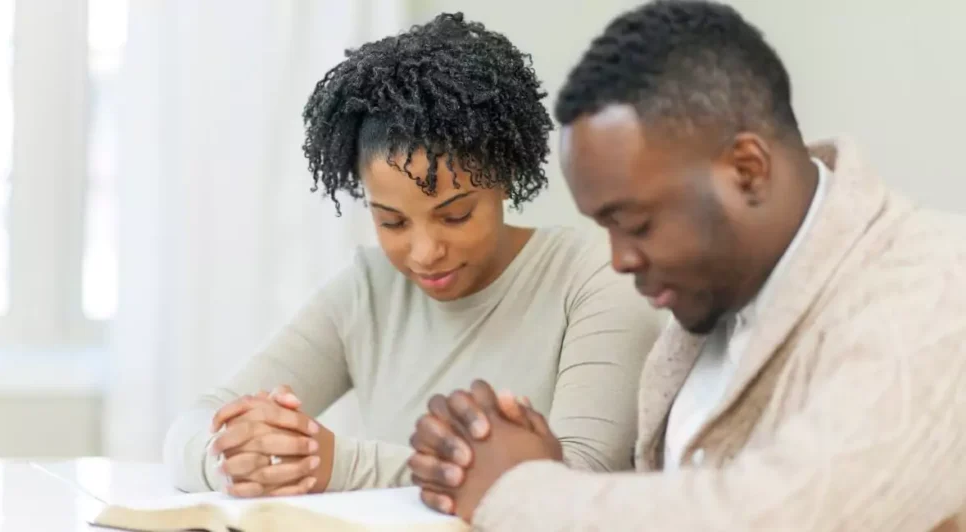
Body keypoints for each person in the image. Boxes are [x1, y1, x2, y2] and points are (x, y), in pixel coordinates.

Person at [407, 1, 966, 530]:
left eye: (638, 223)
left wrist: (521, 490)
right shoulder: (712, 304)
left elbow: (775, 517)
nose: (620, 259)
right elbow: (684, 494)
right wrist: (541, 467)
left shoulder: (936, 290)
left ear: (747, 171)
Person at [162, 12, 661, 499]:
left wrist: (341, 464)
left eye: (455, 215)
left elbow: (575, 481)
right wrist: (229, 457)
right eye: (392, 222)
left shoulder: (595, 277)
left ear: (505, 176)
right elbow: (195, 422)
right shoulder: (368, 291)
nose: (425, 254)